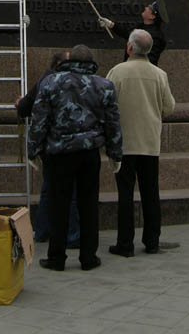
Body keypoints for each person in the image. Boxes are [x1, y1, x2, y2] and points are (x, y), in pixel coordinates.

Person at [28, 44, 122, 271]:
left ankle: (56, 257)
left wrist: (33, 150)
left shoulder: (51, 82)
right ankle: (88, 257)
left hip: (59, 153)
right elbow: (112, 123)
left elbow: (39, 120)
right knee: (88, 204)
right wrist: (115, 153)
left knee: (58, 205)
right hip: (89, 153)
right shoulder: (104, 85)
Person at [106, 29, 175, 256]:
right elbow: (169, 107)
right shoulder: (159, 74)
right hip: (149, 143)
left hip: (125, 144)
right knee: (150, 193)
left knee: (125, 195)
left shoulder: (117, 72)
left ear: (129, 47)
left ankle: (125, 244)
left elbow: (107, 104)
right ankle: (152, 241)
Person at [16, 51, 80, 247]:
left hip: (51, 146)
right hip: (73, 145)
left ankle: (43, 230)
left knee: (49, 188)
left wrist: (34, 148)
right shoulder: (81, 81)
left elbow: (26, 108)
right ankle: (71, 234)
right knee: (70, 191)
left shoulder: (46, 79)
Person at [99, 0, 168, 65]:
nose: (146, 8)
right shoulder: (141, 26)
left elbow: (150, 60)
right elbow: (127, 33)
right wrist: (110, 24)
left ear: (152, 16)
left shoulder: (156, 37)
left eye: (149, 8)